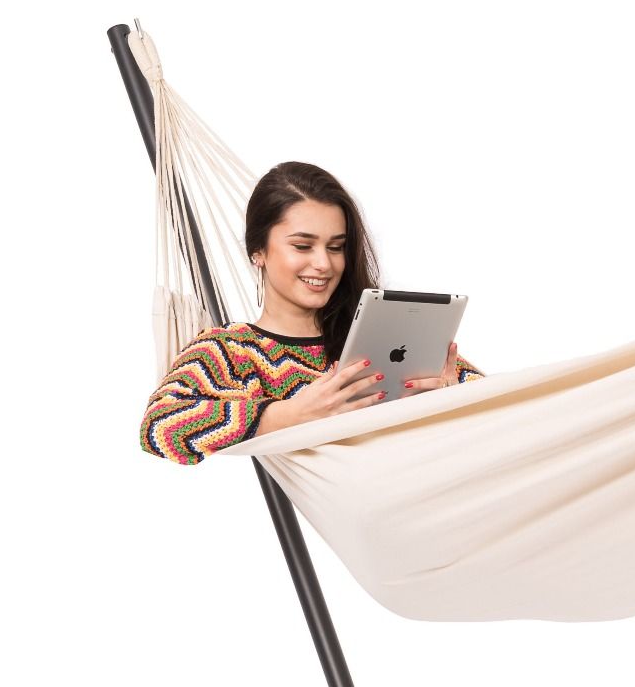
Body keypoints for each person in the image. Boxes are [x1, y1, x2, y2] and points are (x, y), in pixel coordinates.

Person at [139, 161, 483, 466]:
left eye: (336, 247)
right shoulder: (235, 351)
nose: (323, 263)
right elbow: (158, 427)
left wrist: (454, 401)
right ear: (258, 251)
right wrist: (288, 415)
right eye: (302, 246)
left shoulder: (383, 333)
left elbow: (497, 409)